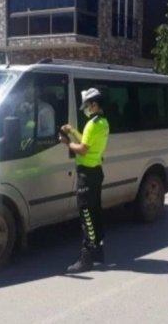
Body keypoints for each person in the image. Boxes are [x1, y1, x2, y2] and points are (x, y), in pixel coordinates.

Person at [59, 88, 110, 273]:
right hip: (96, 171)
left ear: (94, 104)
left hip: (86, 175)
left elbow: (82, 150)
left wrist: (66, 142)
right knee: (96, 212)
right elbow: (86, 143)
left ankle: (86, 258)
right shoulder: (103, 123)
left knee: (87, 215)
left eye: (87, 106)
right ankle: (99, 252)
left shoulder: (92, 124)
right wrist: (73, 131)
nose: (85, 109)